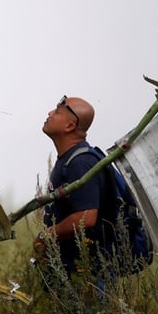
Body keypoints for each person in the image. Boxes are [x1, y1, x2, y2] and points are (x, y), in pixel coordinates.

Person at [33, 95, 112, 278]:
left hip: (86, 272)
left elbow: (87, 217)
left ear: (69, 126)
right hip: (71, 268)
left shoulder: (80, 163)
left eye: (57, 112)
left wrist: (46, 236)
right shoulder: (69, 159)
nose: (50, 113)